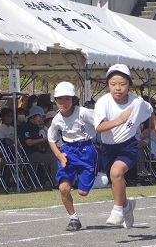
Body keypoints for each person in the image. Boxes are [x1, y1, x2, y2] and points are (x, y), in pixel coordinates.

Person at [94, 64, 156, 228]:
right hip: (108, 147)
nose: (117, 88)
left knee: (116, 172)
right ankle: (127, 206)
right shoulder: (103, 102)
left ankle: (118, 210)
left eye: (122, 84)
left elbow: (150, 109)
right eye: (113, 84)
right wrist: (120, 119)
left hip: (128, 145)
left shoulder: (137, 102)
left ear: (130, 85)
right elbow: (99, 127)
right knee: (115, 181)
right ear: (108, 85)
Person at [47, 82, 114, 231]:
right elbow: (51, 138)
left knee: (83, 192)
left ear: (73, 100)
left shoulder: (84, 112)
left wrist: (116, 124)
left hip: (86, 150)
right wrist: (59, 154)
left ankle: (98, 174)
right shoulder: (57, 119)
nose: (63, 103)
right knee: (63, 188)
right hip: (68, 151)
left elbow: (101, 123)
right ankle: (74, 219)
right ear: (55, 100)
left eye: (67, 99)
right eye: (59, 99)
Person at [19, 106, 59, 187]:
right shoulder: (26, 127)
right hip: (31, 154)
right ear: (33, 116)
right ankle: (56, 183)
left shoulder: (36, 127)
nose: (41, 119)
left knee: (59, 154)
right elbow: (29, 142)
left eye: (42, 117)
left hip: (40, 152)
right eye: (39, 116)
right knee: (54, 158)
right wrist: (45, 139)